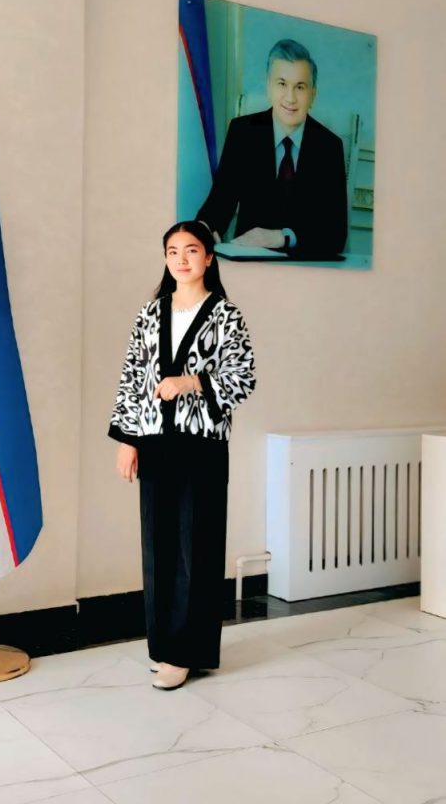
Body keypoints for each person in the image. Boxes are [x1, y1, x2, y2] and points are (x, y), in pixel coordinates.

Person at [108, 220, 256, 690]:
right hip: (154, 441)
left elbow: (243, 377)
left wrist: (191, 382)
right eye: (173, 251)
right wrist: (128, 441)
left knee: (198, 546)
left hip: (201, 444)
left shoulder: (225, 316)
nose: (182, 259)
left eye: (192, 250)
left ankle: (186, 652)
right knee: (159, 543)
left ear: (209, 257)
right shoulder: (150, 314)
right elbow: (133, 376)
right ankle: (164, 646)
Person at [196, 39, 348, 258]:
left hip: (306, 269)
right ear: (268, 86)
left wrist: (282, 236)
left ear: (313, 94)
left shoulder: (329, 147)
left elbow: (335, 234)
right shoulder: (243, 133)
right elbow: (219, 203)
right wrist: (204, 228)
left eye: (300, 87)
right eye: (282, 84)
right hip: (249, 264)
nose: (291, 97)